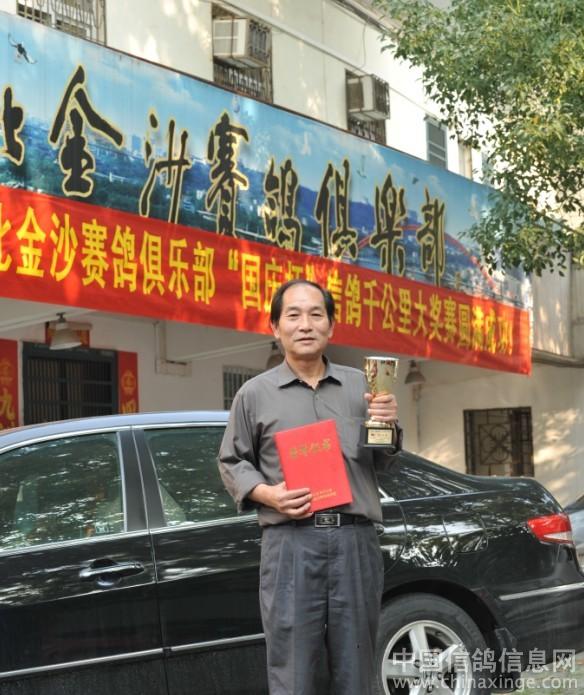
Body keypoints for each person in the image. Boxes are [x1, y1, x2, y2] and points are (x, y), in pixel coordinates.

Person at [218, 279, 400, 695]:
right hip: (290, 545)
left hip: (355, 543)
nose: (305, 324)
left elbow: (385, 462)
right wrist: (268, 494)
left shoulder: (362, 386)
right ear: (275, 327)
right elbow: (231, 461)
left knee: (356, 670)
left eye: (316, 314)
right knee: (294, 670)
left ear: (331, 327)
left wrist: (388, 425)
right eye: (294, 315)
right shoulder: (254, 394)